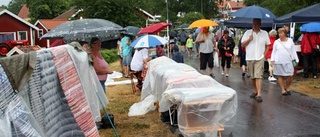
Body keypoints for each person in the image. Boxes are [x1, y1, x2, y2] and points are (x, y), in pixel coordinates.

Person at [241, 18, 270, 102]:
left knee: (259, 75)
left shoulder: (264, 33)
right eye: (254, 24)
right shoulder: (247, 33)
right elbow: (242, 45)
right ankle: (255, 90)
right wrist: (249, 39)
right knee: (252, 77)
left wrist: (264, 55)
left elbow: (268, 45)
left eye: (257, 24)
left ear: (260, 24)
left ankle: (259, 94)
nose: (255, 25)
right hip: (250, 57)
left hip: (260, 57)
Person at [270, 28, 299, 95]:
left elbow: (293, 51)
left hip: (288, 61)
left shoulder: (290, 41)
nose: (280, 34)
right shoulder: (276, 42)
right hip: (279, 61)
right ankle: (283, 89)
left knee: (290, 75)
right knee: (280, 75)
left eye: (281, 33)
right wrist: (272, 60)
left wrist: (296, 59)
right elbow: (273, 52)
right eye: (279, 33)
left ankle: (287, 87)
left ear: (285, 33)